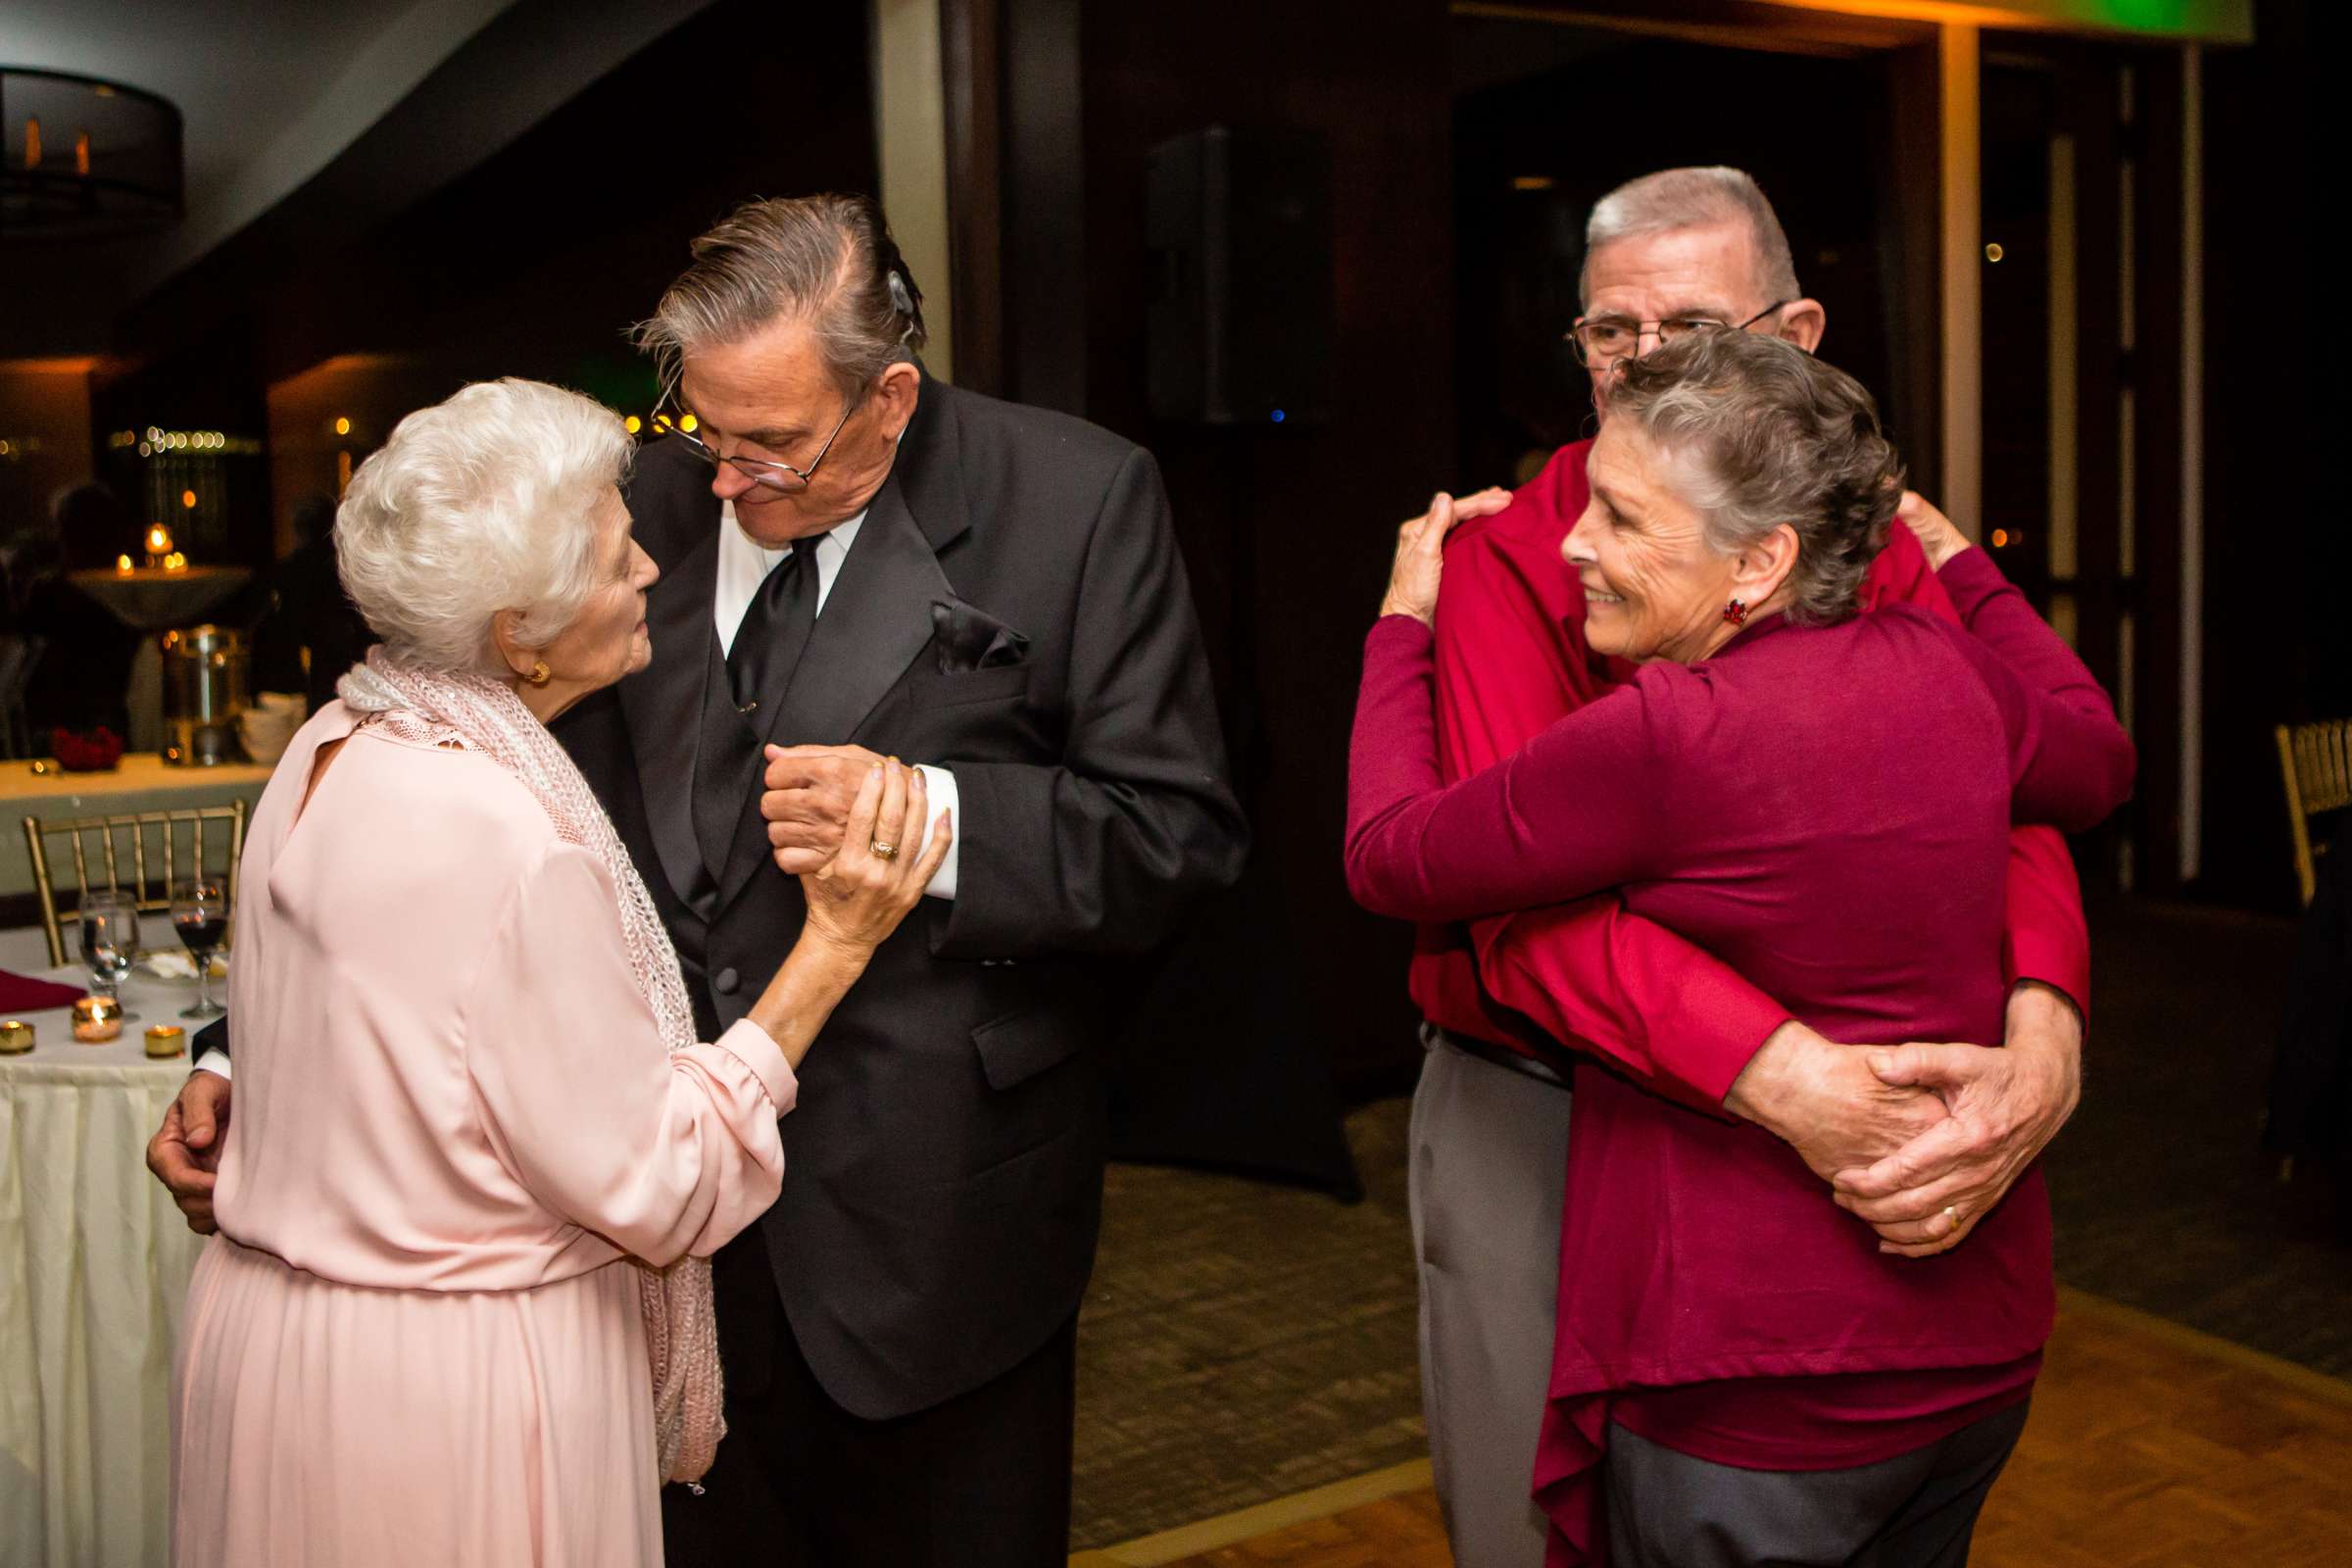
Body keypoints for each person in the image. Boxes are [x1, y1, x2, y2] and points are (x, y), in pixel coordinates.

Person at [151, 194, 1248, 1566]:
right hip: (634, 1258)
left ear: (890, 395)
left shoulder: (1077, 502)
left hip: (931, 1244)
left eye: (773, 445)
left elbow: (1174, 836)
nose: (723, 483)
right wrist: (259, 1057)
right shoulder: (619, 511)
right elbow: (406, 799)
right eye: (704, 432)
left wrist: (937, 816)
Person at [1399, 166, 2095, 1566]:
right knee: (1532, 1531)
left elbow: (2013, 796)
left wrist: (2046, 1027)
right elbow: (1518, 909)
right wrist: (1778, 1072)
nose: (1649, 366)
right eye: (1612, 335)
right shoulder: (1515, 554)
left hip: (1858, 1140)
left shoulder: (1851, 535)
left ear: (1797, 335)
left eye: (1698, 329)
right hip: (1542, 1103)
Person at [168, 378, 950, 1567]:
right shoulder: (506, 835)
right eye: (609, 547)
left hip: (286, 1358)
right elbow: (662, 1184)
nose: (648, 564)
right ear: (516, 634)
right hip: (454, 1398)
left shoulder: (332, 744)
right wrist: (837, 941)